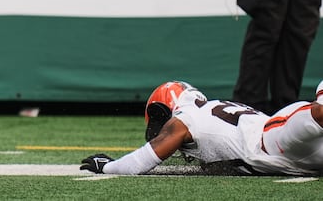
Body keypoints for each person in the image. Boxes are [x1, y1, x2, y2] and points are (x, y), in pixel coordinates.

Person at [80, 80, 323, 176]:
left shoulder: (187, 118)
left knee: (319, 112)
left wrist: (108, 166)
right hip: (286, 151)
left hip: (271, 140)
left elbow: (143, 159)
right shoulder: (212, 107)